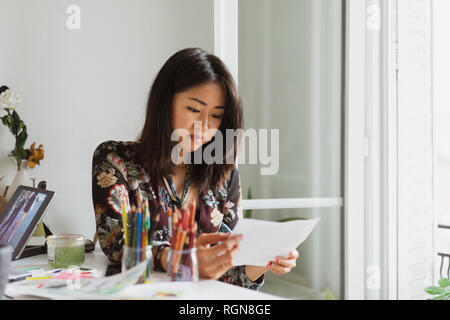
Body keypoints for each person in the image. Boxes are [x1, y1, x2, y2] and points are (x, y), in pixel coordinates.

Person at [91, 48, 299, 290]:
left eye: (216, 116)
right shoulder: (115, 160)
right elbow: (115, 242)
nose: (204, 125)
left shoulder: (225, 176)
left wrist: (264, 260)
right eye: (193, 109)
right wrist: (180, 259)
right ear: (164, 103)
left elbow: (230, 276)